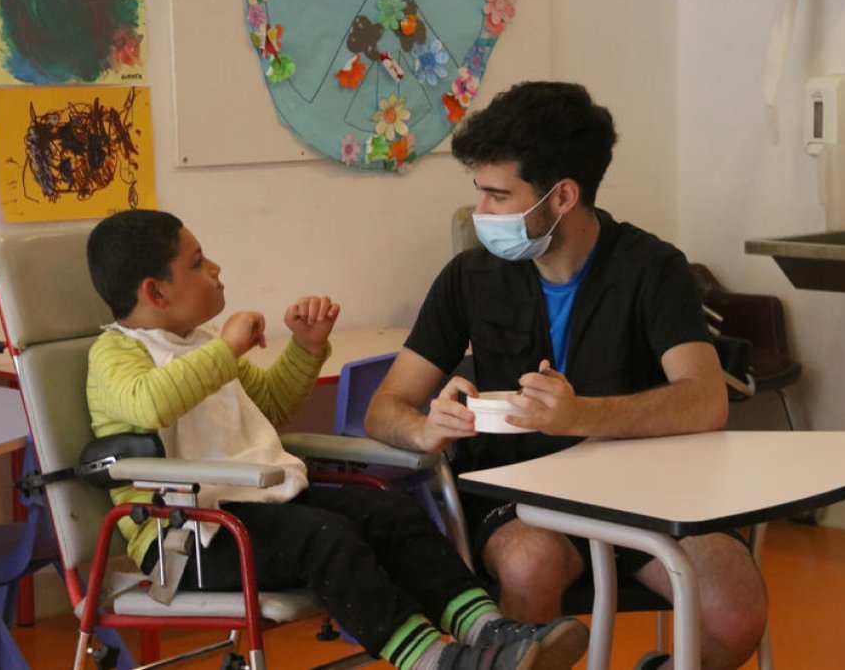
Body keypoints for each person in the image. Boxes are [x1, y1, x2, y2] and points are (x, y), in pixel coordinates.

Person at [364, 82, 768, 670]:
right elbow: (386, 406)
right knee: (531, 565)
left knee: (737, 612)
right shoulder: (468, 278)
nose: (482, 214)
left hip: (644, 494)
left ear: (562, 197)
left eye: (499, 196)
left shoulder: (653, 270)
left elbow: (706, 400)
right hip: (519, 500)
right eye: (479, 193)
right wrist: (424, 427)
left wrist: (583, 416)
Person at [84, 210, 590, 670]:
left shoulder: (200, 344)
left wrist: (307, 347)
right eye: (197, 263)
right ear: (156, 292)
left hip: (254, 507)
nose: (215, 268)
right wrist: (229, 347)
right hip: (187, 539)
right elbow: (149, 404)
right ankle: (438, 661)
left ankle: (488, 628)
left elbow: (271, 406)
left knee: (392, 513)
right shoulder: (115, 354)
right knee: (326, 538)